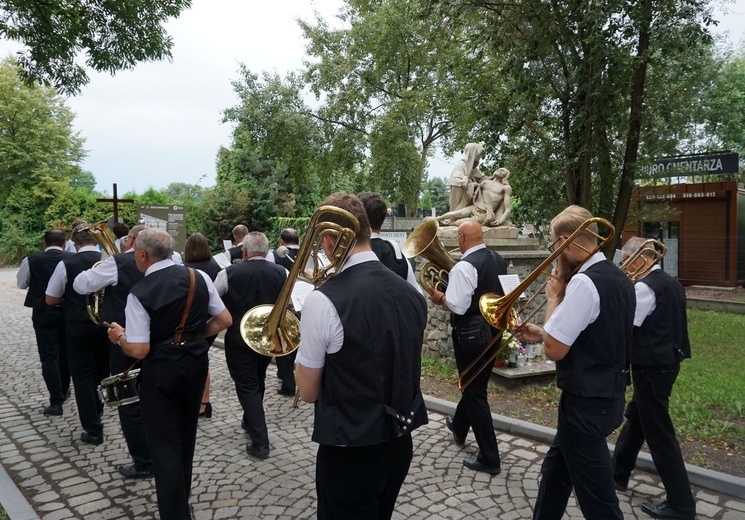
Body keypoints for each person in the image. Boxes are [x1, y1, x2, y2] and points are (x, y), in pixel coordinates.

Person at [296, 192, 428, 519]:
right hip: (399, 442)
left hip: (349, 452)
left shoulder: (322, 301)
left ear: (327, 243)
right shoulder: (412, 294)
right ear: (369, 230)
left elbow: (309, 393)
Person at [514, 205, 635, 520]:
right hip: (604, 394)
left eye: (554, 247)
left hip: (586, 405)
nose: (554, 255)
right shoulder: (618, 277)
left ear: (566, 240)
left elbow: (555, 350)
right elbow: (596, 334)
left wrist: (554, 298)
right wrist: (542, 333)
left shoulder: (583, 283)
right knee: (555, 474)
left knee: (600, 504)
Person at [105, 229, 231, 520]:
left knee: (163, 444)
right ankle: (180, 497)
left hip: (161, 370)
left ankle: (175, 513)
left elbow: (138, 350)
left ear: (143, 255)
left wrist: (119, 337)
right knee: (186, 435)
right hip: (194, 364)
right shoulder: (197, 277)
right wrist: (192, 337)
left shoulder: (139, 292)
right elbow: (224, 319)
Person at [612, 236, 696, 520]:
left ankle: (681, 504)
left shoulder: (645, 287)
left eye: (626, 260)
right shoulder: (670, 282)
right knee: (638, 417)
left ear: (641, 259)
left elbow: (627, 326)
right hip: (668, 361)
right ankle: (617, 473)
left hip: (651, 365)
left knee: (660, 434)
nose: (624, 266)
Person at [72, 224, 153, 478]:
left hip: (126, 339)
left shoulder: (117, 263)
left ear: (131, 241)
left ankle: (143, 462)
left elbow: (81, 284)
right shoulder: (173, 262)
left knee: (128, 400)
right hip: (159, 340)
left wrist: (103, 266)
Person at [429, 220, 506, 475]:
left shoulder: (464, 267)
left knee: (474, 391)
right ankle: (460, 426)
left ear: (461, 238)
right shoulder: (497, 258)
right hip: (494, 331)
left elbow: (457, 306)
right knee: (474, 383)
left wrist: (440, 297)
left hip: (471, 336)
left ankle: (489, 457)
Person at [214, 231, 287, 459]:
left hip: (238, 338)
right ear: (266, 251)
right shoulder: (281, 271)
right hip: (267, 338)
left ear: (244, 251)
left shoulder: (228, 273)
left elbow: (213, 301)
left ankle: (260, 442)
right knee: (258, 377)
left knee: (246, 385)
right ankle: (249, 420)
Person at [45, 223, 110, 446]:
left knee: (82, 377)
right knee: (103, 371)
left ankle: (93, 429)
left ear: (74, 242)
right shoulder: (111, 262)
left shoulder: (67, 262)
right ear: (96, 241)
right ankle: (99, 408)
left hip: (77, 326)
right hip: (107, 326)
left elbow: (51, 298)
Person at [17, 229, 73, 416]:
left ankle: (55, 400)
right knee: (65, 353)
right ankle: (65, 389)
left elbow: (22, 284)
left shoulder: (32, 259)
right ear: (64, 243)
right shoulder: (71, 258)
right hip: (67, 312)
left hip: (43, 312)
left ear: (44, 243)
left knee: (49, 357)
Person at [183, 232, 223, 418]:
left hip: (191, 322)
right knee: (202, 358)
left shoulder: (185, 269)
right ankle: (205, 401)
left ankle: (194, 400)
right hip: (211, 319)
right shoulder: (214, 265)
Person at [357, 192, 423, 294]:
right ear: (383, 220)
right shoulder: (399, 258)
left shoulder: (349, 255)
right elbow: (418, 296)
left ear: (358, 219)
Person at [270, 227, 300, 397]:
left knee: (281, 343)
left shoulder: (275, 256)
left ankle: (288, 382)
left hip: (282, 306)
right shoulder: (309, 255)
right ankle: (287, 373)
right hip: (303, 304)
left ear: (282, 241)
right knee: (296, 338)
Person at [437, 169, 512, 228]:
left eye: (503, 170)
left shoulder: (505, 188)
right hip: (475, 207)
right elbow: (475, 189)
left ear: (505, 176)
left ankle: (446, 223)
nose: (499, 170)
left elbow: (507, 210)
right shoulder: (486, 182)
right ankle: (437, 219)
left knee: (462, 222)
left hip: (485, 213)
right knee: (458, 213)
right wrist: (472, 185)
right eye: (499, 169)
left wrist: (500, 221)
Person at [448, 142, 485, 212]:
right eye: (479, 155)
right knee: (458, 186)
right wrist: (465, 181)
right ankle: (454, 213)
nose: (480, 157)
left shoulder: (472, 168)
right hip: (460, 196)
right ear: (473, 153)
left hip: (470, 197)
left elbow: (482, 178)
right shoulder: (461, 165)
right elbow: (455, 180)